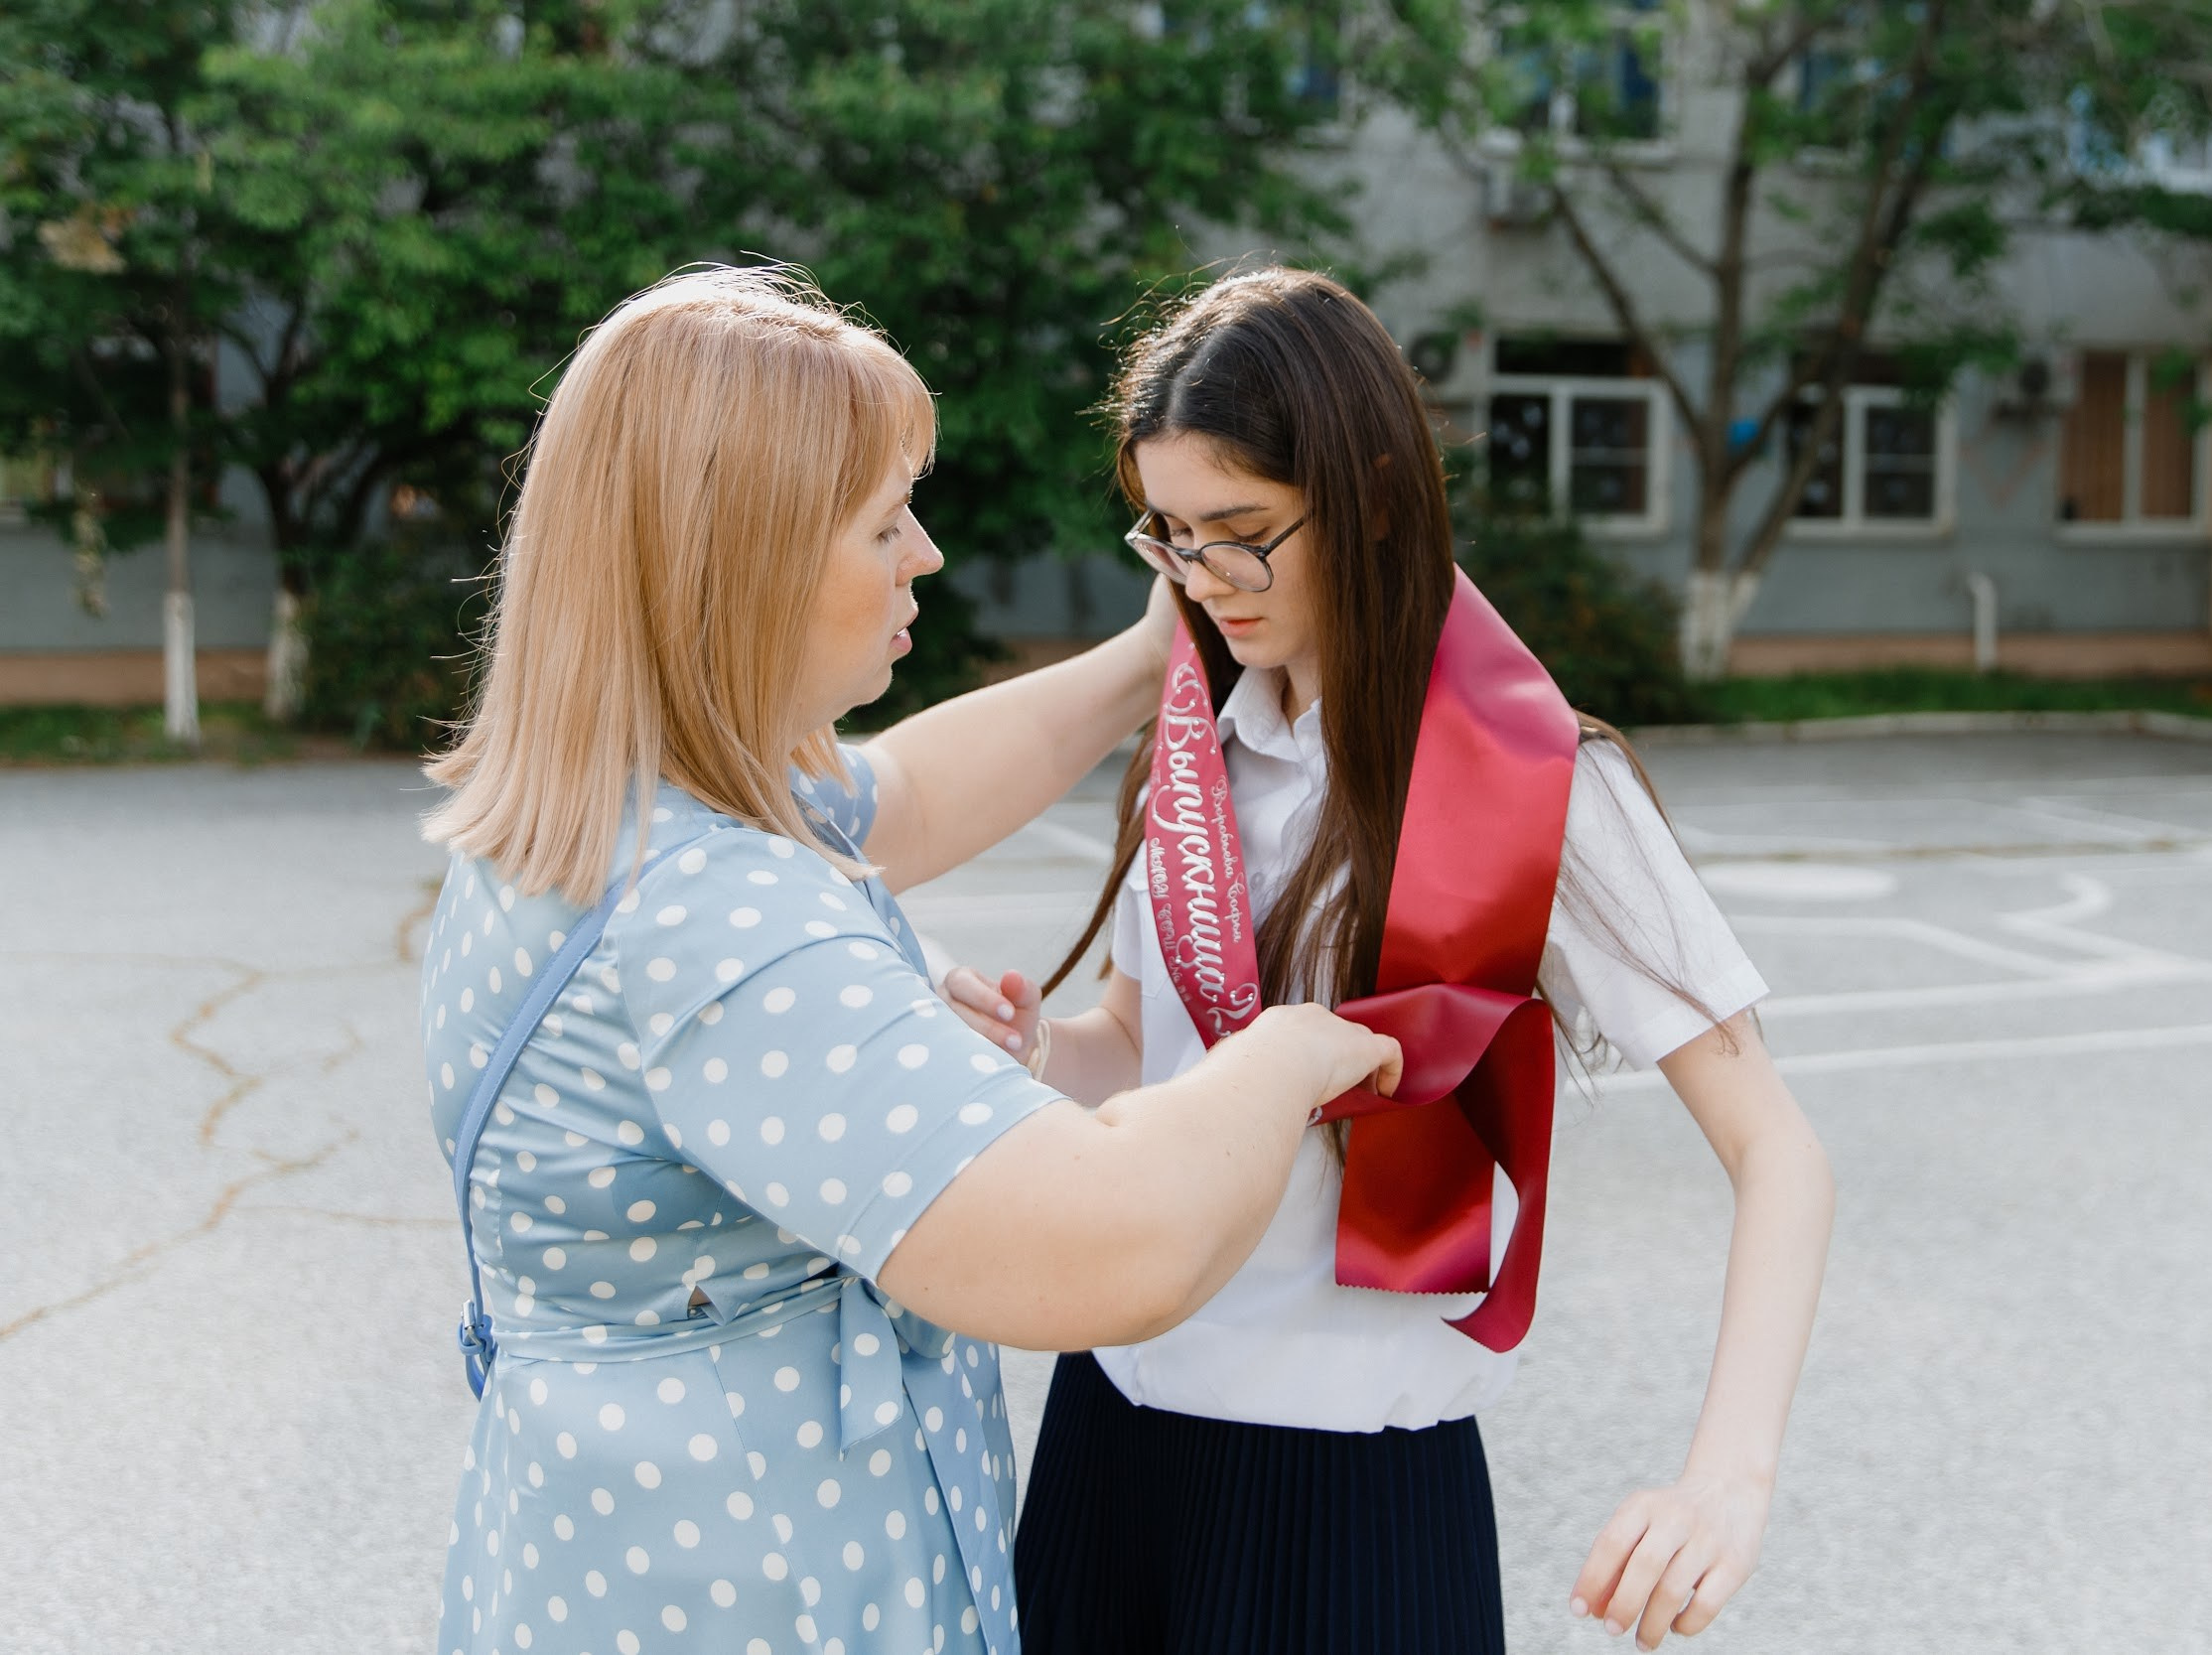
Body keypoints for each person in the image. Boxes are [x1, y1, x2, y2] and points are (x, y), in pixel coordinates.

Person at [416, 266, 1401, 1655]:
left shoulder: (597, 817)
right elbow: (1114, 1248)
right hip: (765, 1601)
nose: (925, 555)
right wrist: (1294, 1052)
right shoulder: (717, 924)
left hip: (591, 1567)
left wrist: (1149, 656)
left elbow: (910, 795)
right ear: (742, 560)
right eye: (885, 521)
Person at [938, 267, 1837, 1655]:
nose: (1204, 581)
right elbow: (1141, 1045)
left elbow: (1778, 1150)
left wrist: (1727, 1480)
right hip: (1110, 1424)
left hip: (1340, 1471)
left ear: (1366, 488)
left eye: (1243, 534)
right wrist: (1037, 1052)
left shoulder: (1536, 783)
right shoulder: (1196, 748)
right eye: (1171, 537)